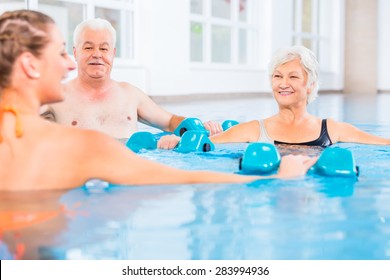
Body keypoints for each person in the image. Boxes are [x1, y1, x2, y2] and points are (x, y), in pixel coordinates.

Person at [0, 10, 316, 192]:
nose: (69, 62)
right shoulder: (84, 147)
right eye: (62, 52)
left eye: (104, 48)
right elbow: (182, 178)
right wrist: (277, 178)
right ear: (29, 65)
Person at [163, 45, 390, 148]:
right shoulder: (254, 129)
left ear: (310, 85)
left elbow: (382, 143)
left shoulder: (331, 129)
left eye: (293, 77)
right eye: (277, 76)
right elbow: (202, 145)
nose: (283, 84)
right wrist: (175, 141)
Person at [40, 18, 222, 139]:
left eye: (103, 49)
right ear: (75, 52)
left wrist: (199, 129)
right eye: (88, 48)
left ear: (113, 54)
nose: (97, 55)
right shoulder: (56, 97)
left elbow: (169, 122)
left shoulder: (130, 94)